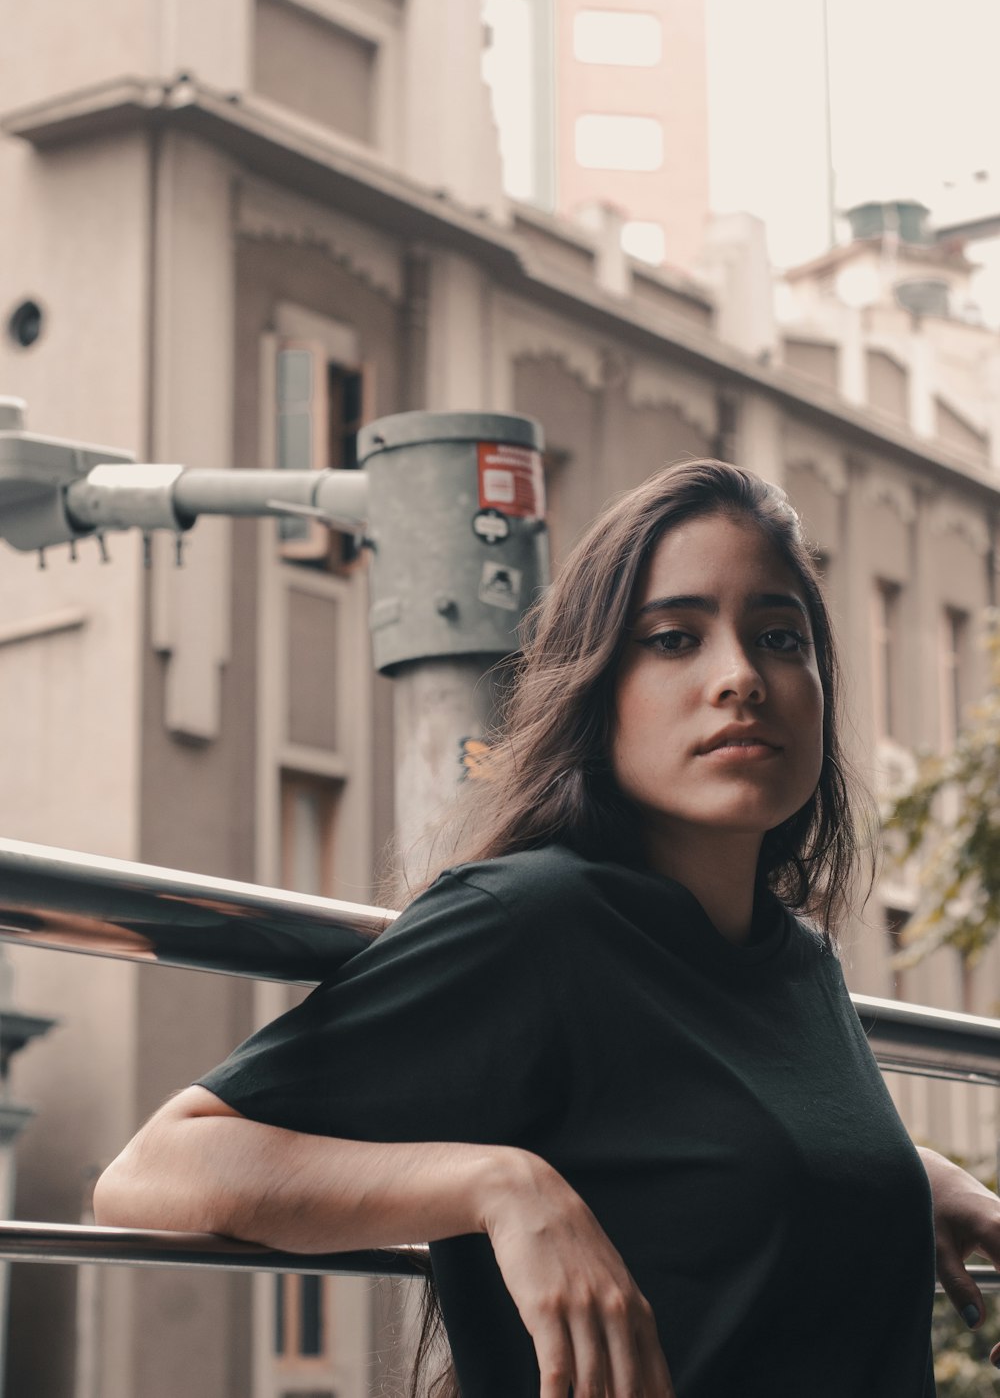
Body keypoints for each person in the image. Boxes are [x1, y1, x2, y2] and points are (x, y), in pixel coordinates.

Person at [95, 460, 1000, 1398]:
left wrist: (896, 1178)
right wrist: (498, 1187)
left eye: (779, 636)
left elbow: (696, 1155)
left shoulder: (794, 955)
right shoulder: (532, 921)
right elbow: (155, 1169)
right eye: (674, 639)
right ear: (598, 691)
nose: (739, 677)